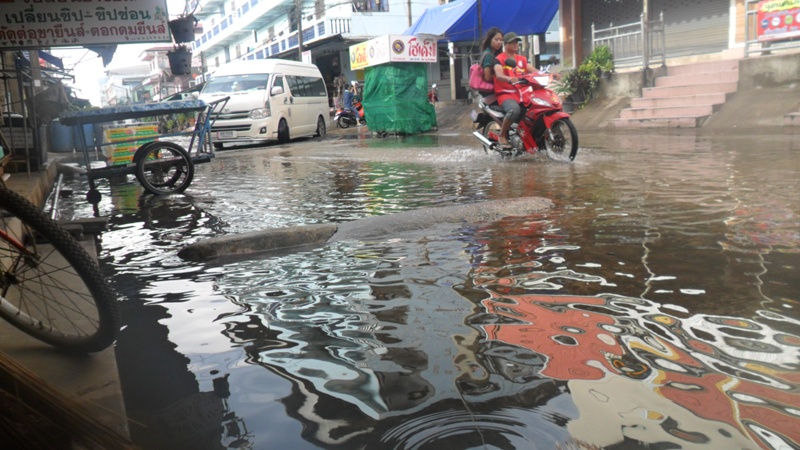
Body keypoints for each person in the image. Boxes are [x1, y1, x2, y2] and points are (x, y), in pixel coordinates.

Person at [493, 32, 536, 148]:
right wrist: (509, 79)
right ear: (505, 44)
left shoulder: (522, 59)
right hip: (506, 94)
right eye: (512, 42)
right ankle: (502, 135)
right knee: (514, 110)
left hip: (523, 94)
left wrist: (550, 75)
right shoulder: (499, 59)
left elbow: (534, 71)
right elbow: (498, 74)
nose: (515, 44)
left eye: (516, 42)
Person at [479, 27, 504, 96]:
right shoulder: (488, 55)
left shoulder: (493, 54)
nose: (499, 42)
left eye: (501, 40)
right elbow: (487, 77)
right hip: (489, 93)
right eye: (496, 40)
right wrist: (501, 76)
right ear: (490, 40)